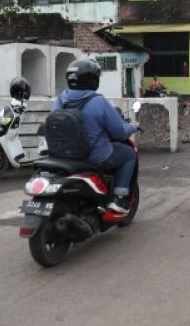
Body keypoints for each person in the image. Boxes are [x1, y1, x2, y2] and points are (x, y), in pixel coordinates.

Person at [51, 58, 139, 215]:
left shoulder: (59, 100)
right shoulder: (98, 101)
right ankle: (119, 198)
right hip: (94, 157)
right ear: (93, 79)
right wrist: (133, 126)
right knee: (129, 154)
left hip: (63, 156)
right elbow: (119, 132)